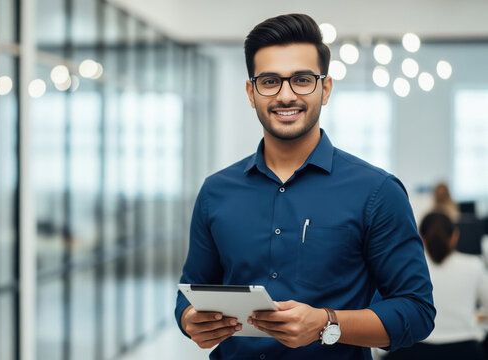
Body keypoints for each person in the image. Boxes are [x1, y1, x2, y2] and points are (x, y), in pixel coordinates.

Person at [174, 13, 435, 360]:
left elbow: (416, 311)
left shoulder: (377, 192)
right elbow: (191, 290)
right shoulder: (215, 191)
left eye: (301, 80)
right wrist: (190, 319)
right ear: (251, 93)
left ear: (324, 89)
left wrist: (327, 324)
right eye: (269, 81)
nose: (285, 96)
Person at [385, 212, 488, 360]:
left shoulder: (406, 266)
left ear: (420, 237)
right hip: (465, 352)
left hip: (412, 352)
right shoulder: (474, 265)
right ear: (455, 236)